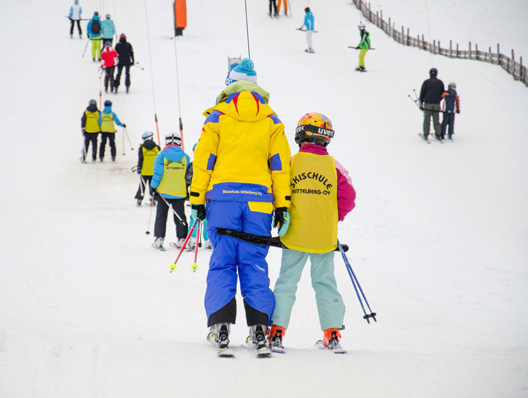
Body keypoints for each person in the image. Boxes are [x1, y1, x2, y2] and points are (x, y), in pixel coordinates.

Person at [190, 58, 291, 355]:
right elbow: (280, 166)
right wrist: (282, 204)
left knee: (222, 261)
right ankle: (259, 329)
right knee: (254, 263)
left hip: (222, 199)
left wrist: (197, 198)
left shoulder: (217, 117)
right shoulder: (272, 120)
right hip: (259, 201)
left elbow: (204, 160)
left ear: (228, 85)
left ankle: (220, 327)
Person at [268, 112, 356, 353]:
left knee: (286, 283)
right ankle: (333, 333)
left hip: (294, 235)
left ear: (301, 135)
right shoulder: (334, 166)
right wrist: (333, 216)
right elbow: (349, 197)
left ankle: (276, 332)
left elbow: (277, 190)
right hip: (324, 238)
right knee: (325, 284)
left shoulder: (291, 163)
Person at [150, 133, 191, 251]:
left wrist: (153, 186)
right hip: (179, 192)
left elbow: (157, 173)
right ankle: (182, 238)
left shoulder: (161, 155)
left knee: (161, 216)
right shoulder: (185, 157)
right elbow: (187, 175)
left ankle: (159, 239)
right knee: (180, 216)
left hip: (163, 192)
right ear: (179, 142)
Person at [186, 142, 212, 251]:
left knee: (194, 215)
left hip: (196, 193)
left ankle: (192, 239)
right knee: (207, 217)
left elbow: (188, 178)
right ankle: (209, 240)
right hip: (208, 193)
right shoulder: (211, 164)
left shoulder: (193, 164)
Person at [419, 68, 445, 141]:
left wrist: (421, 103)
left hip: (428, 103)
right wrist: (438, 100)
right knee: (436, 120)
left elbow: (422, 93)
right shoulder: (440, 82)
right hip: (436, 104)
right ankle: (438, 134)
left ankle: (426, 134)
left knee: (427, 119)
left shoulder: (426, 82)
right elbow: (442, 94)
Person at [135, 132, 160, 206]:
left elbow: (140, 159)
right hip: (154, 171)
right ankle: (153, 199)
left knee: (142, 185)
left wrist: (139, 168)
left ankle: (139, 199)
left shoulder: (142, 147)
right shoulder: (156, 147)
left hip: (144, 171)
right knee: (153, 186)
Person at [80, 99, 100, 163]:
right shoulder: (98, 112)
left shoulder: (86, 112)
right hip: (95, 131)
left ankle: (83, 157)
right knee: (94, 144)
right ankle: (94, 158)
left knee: (86, 144)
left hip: (87, 131)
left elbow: (83, 120)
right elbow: (100, 122)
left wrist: (83, 128)